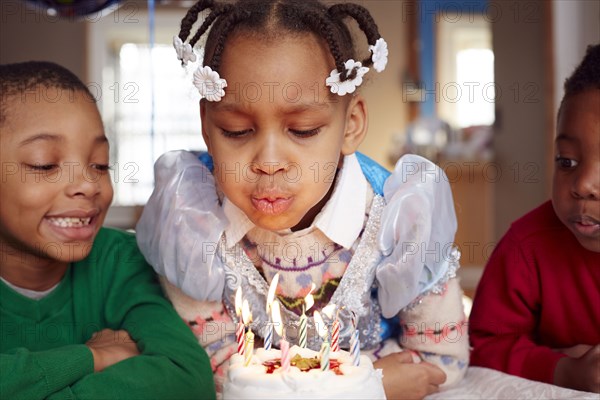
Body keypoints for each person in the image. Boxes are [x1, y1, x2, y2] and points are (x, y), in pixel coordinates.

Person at [137, 1, 469, 398]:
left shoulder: (400, 218)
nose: (269, 163)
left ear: (352, 125)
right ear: (207, 126)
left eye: (304, 129)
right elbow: (214, 368)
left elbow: (439, 362)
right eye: (237, 131)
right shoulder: (189, 218)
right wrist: (362, 389)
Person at [0, 61, 216, 399]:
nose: (88, 184)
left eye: (99, 164)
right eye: (45, 164)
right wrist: (91, 357)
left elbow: (186, 378)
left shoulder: (121, 260)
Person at [469, 44, 600, 394]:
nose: (583, 185)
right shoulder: (526, 247)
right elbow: (485, 346)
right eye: (567, 161)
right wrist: (563, 370)